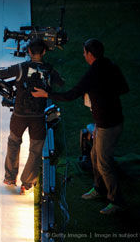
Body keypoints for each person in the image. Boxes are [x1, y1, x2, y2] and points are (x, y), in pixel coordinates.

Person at [32, 38, 129, 214]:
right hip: (107, 122)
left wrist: (47, 93)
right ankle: (99, 189)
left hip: (109, 126)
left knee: (104, 162)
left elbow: (71, 94)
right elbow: (123, 88)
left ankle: (116, 201)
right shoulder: (111, 66)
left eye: (84, 52)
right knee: (94, 156)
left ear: (90, 54)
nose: (83, 55)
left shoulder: (93, 75)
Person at [0, 38, 64, 195]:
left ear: (29, 51)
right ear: (44, 52)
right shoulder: (49, 70)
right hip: (38, 117)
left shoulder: (21, 68)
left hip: (19, 115)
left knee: (13, 143)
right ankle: (27, 183)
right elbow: (61, 83)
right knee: (36, 149)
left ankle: (10, 178)